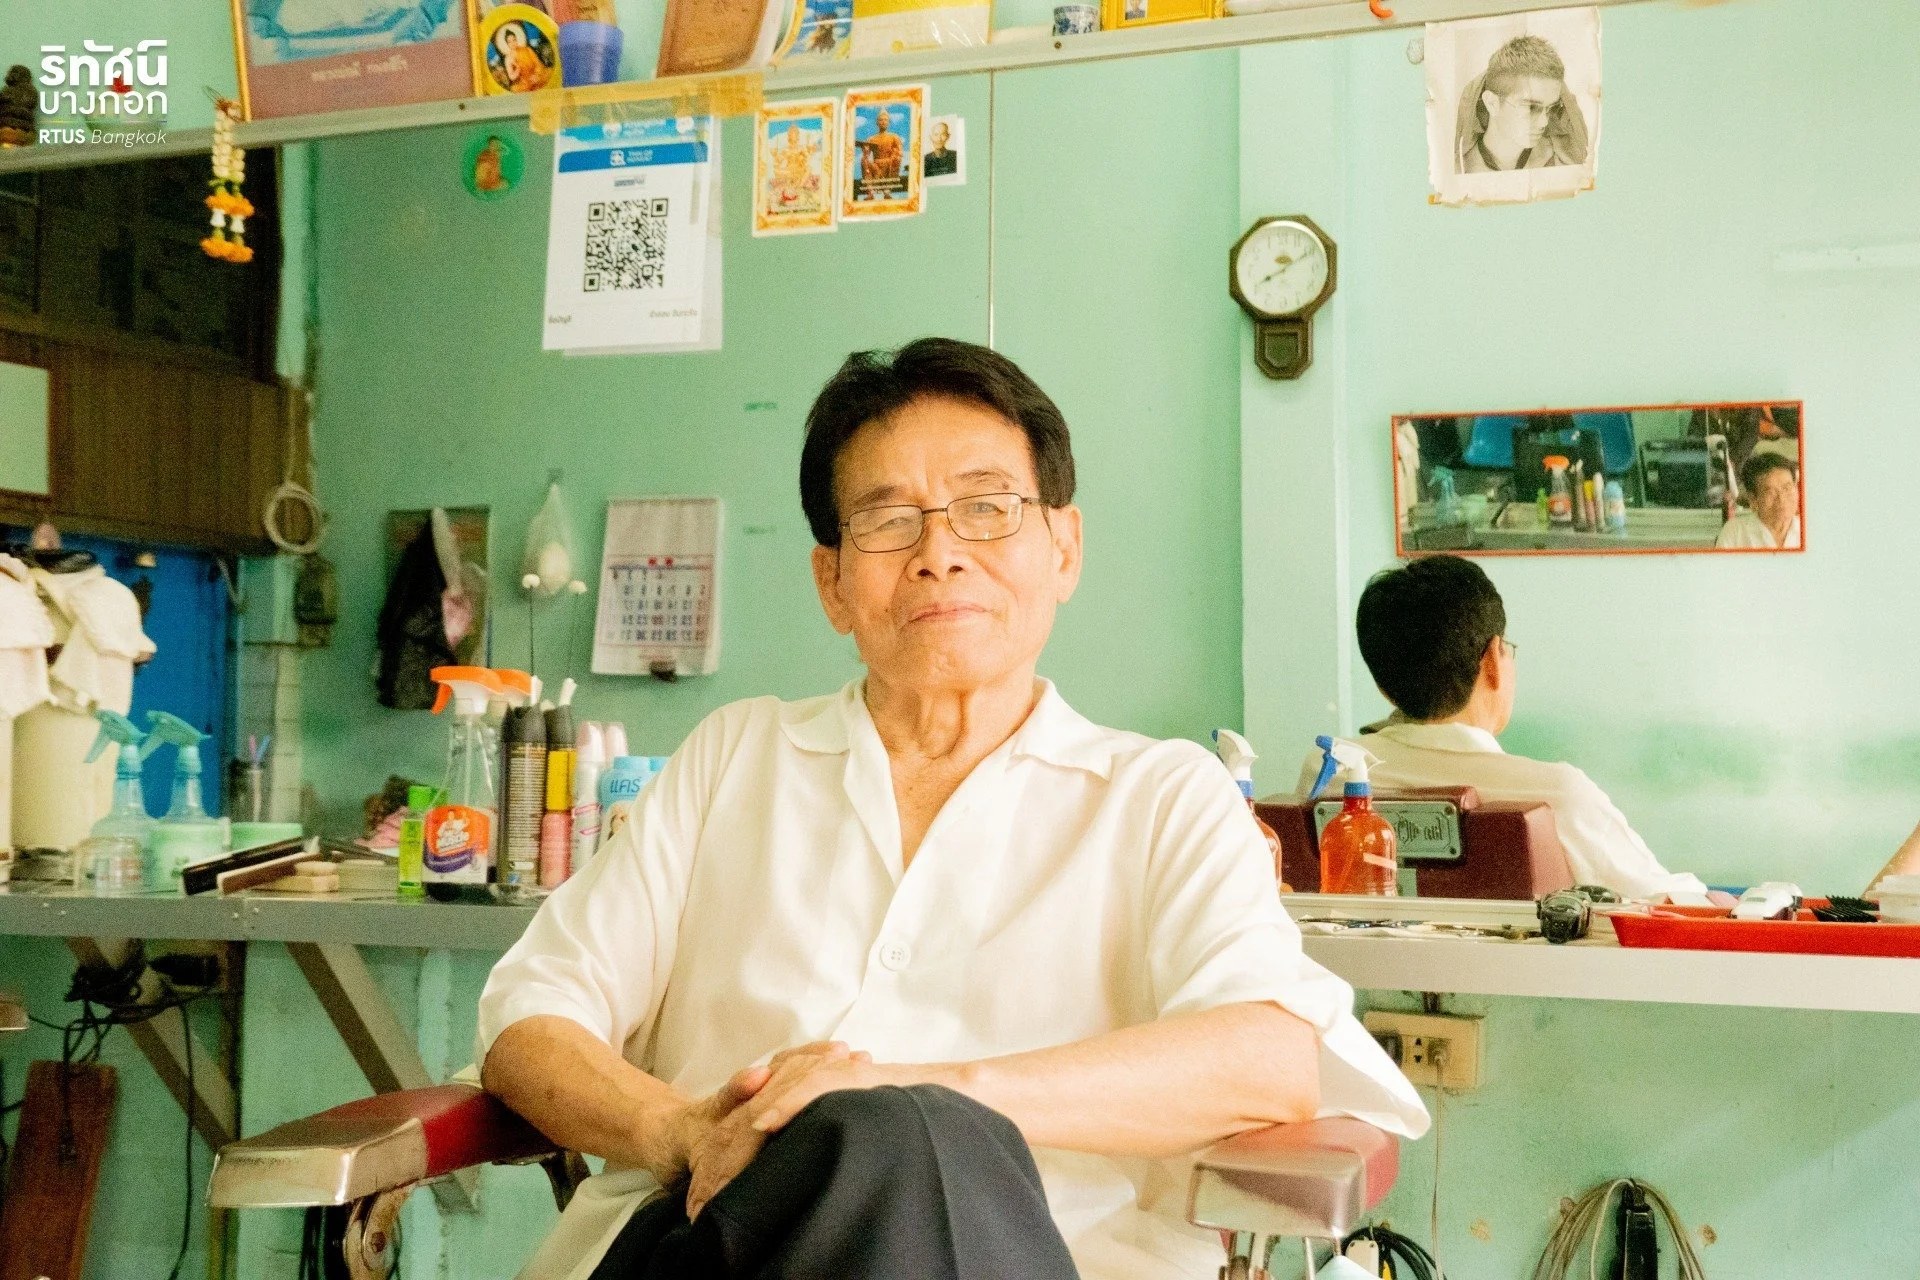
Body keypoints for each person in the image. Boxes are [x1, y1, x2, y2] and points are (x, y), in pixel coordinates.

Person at [480, 338, 1425, 1280]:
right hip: (700, 1246)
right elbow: (531, 1019)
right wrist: (679, 1130)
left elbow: (1267, 1059)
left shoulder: (1160, 798)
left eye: (986, 508)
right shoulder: (736, 757)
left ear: (1064, 548)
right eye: (888, 521)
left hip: (1041, 1260)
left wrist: (917, 1092)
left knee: (894, 1136)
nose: (939, 555)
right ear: (831, 583)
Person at [1297, 555, 1707, 901]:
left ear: (1383, 687)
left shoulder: (1327, 774)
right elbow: (1669, 905)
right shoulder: (1557, 795)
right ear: (1493, 659)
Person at [1456, 34, 1589, 174]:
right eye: (1531, 107)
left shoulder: (1563, 164)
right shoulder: (1458, 170)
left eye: (1552, 108)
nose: (1544, 122)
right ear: (1492, 103)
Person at [1715, 452, 1801, 550]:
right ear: (1753, 499)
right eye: (1770, 492)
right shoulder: (1735, 533)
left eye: (1787, 488)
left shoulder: (1809, 529)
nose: (1781, 499)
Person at [854, 107, 905, 196]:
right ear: (877, 122)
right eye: (881, 120)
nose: (883, 122)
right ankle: (870, 190)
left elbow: (900, 152)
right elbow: (866, 155)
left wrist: (895, 154)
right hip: (876, 166)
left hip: (889, 165)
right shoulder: (871, 139)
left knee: (897, 159)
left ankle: (887, 189)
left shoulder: (894, 137)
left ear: (888, 122)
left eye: (885, 120)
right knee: (864, 160)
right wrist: (865, 151)